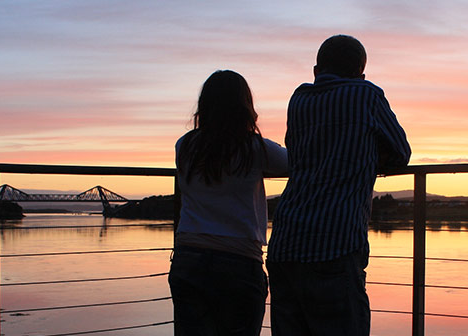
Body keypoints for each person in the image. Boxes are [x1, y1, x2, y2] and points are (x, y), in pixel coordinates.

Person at [267, 35, 411, 335]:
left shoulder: (299, 99)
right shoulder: (366, 95)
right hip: (335, 244)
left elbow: (295, 153)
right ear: (361, 72)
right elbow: (401, 152)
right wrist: (370, 152)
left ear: (316, 71)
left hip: (285, 245)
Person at [169, 70, 288, 336]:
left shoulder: (184, 146)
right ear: (245, 107)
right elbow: (294, 162)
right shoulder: (255, 148)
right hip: (239, 263)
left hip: (189, 258)